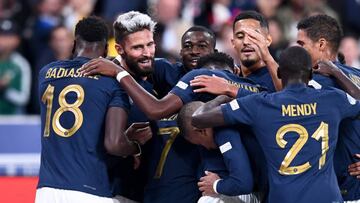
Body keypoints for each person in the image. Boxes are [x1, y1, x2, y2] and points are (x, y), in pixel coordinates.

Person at [192, 46, 360, 203]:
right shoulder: (332, 99)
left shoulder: (258, 105)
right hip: (327, 197)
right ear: (310, 75)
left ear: (279, 73)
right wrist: (335, 71)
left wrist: (224, 95)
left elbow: (198, 118)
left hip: (284, 198)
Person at [35, 16, 150, 203]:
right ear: (105, 49)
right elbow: (114, 144)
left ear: (74, 45)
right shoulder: (112, 82)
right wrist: (134, 147)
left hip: (46, 191)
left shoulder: (46, 74)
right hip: (90, 189)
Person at [296, 14, 360, 202]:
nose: (298, 51)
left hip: (338, 189)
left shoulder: (316, 83)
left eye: (301, 44)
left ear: (321, 44)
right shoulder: (357, 74)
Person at [178, 101, 255, 203]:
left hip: (264, 190)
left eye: (200, 143)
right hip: (248, 188)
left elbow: (243, 184)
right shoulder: (218, 126)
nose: (205, 147)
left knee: (208, 201)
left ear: (202, 131)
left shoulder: (223, 130)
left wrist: (216, 185)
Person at [0, 19, 31, 114]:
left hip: (12, 119)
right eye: (2, 35)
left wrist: (5, 90)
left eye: (9, 36)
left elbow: (24, 98)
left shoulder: (21, 64)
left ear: (17, 40)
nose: (3, 40)